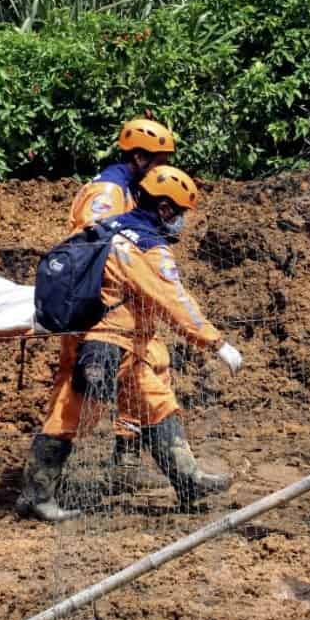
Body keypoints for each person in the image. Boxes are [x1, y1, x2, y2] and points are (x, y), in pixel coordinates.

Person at [18, 166, 244, 522]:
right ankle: (36, 496)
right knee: (70, 413)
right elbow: (172, 299)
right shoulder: (148, 247)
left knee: (156, 404)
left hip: (115, 343)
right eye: (180, 213)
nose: (181, 222)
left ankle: (188, 481)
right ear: (166, 209)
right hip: (107, 343)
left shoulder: (109, 228)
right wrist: (215, 343)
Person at [64, 119, 185, 493]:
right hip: (102, 315)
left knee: (151, 375)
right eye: (159, 160)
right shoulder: (109, 192)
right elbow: (99, 247)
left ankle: (135, 461)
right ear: (138, 156)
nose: (163, 169)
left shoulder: (130, 191)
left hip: (127, 316)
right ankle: (44, 479)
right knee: (76, 402)